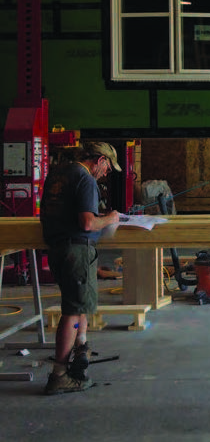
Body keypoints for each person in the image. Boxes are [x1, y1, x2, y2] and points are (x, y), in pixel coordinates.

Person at [39, 141, 121, 395]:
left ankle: (81, 349)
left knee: (79, 304)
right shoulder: (85, 180)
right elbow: (87, 223)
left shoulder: (58, 174)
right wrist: (112, 218)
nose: (107, 173)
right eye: (108, 167)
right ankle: (60, 374)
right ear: (99, 161)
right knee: (73, 312)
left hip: (58, 248)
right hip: (76, 251)